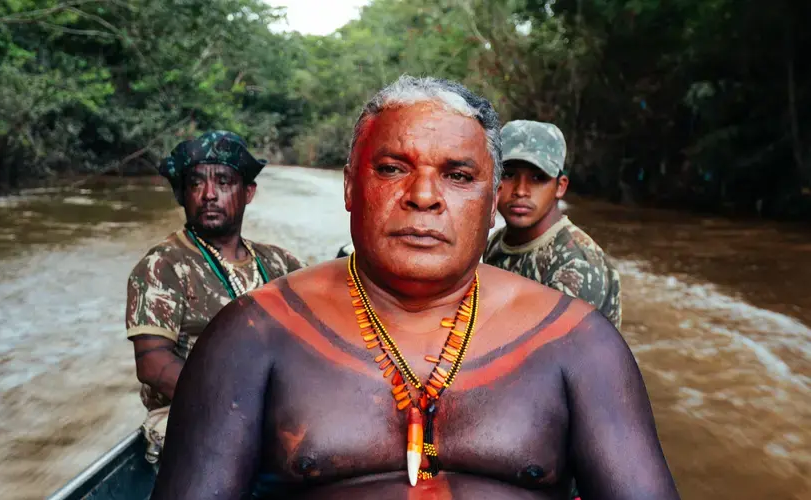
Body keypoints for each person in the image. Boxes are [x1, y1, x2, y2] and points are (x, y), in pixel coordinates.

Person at [151, 76, 678, 499]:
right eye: (392, 168)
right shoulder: (253, 333)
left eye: (458, 175)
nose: (423, 195)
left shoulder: (577, 341)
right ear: (351, 187)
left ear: (490, 198)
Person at [125, 130, 303, 463]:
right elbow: (152, 364)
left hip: (273, 409)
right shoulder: (162, 264)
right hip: (190, 414)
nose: (208, 194)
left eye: (223, 182)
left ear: (248, 192)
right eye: (195, 184)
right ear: (182, 195)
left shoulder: (280, 262)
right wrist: (239, 405)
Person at [483, 120, 622, 329]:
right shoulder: (497, 243)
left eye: (538, 178)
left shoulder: (577, 265)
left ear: (560, 186)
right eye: (509, 174)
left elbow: (560, 354)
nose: (521, 190)